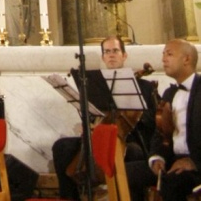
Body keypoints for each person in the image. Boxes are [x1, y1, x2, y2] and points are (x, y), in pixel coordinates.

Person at [52, 35, 156, 201]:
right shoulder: (96, 85)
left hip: (129, 139)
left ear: (124, 55)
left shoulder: (144, 86)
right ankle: (70, 198)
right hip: (99, 137)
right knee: (62, 147)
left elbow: (154, 118)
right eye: (107, 52)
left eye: (115, 51)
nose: (111, 55)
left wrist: (134, 114)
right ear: (103, 57)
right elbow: (92, 115)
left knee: (133, 153)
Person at [127, 39, 201, 201]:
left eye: (169, 54)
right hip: (172, 159)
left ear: (187, 59)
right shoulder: (169, 93)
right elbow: (159, 133)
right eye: (163, 54)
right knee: (127, 174)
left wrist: (194, 162)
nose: (163, 59)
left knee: (171, 183)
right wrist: (157, 158)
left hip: (196, 163)